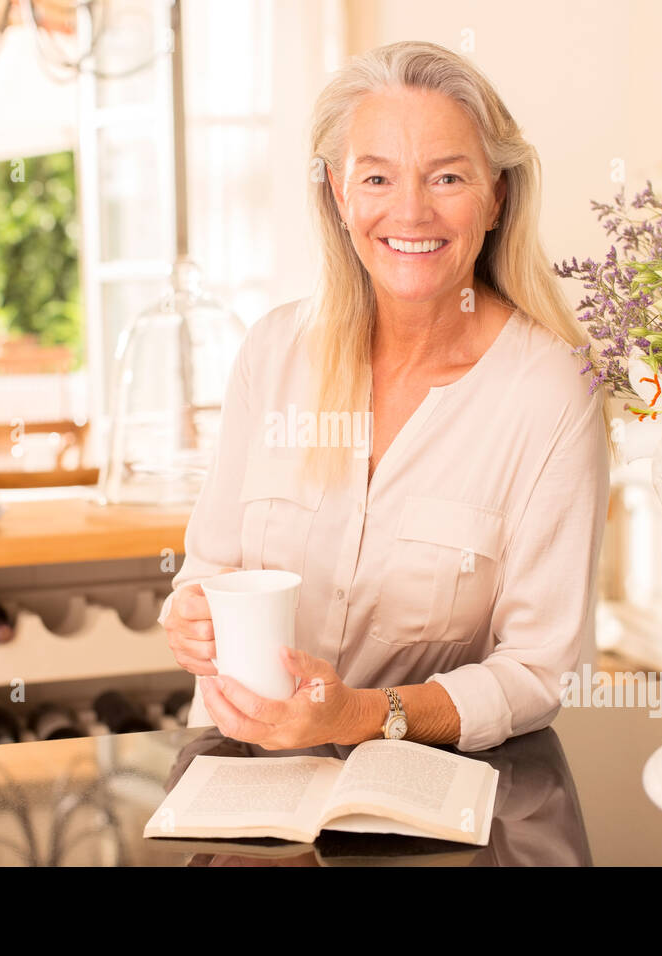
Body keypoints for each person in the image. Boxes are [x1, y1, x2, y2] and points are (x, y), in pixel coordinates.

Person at [158, 40, 613, 752]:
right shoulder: (273, 354)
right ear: (339, 195)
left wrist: (362, 716)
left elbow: (539, 670)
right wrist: (189, 613)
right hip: (240, 782)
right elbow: (211, 570)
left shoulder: (553, 392)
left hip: (423, 810)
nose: (411, 211)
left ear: (496, 197)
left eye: (447, 178)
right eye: (376, 178)